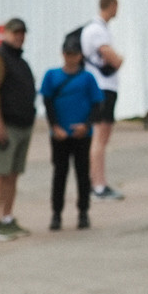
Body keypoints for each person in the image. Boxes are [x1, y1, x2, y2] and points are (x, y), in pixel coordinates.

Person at [40, 39, 104, 231]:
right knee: (60, 174)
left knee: (82, 174)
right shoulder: (52, 76)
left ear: (79, 56)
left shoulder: (88, 78)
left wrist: (86, 126)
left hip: (81, 134)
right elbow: (48, 102)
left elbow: (97, 104)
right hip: (60, 134)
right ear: (63, 55)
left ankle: (83, 212)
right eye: (67, 54)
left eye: (74, 54)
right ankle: (56, 213)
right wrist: (55, 126)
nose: (71, 57)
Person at [0, 18, 35, 240]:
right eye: (15, 32)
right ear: (5, 33)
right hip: (6, 126)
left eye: (22, 32)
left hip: (22, 125)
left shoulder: (19, 60)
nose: (19, 36)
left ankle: (7, 218)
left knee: (12, 175)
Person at [80, 0, 127, 200]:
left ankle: (96, 182)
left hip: (100, 87)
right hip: (102, 88)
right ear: (111, 5)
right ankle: (98, 185)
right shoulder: (97, 30)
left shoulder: (97, 28)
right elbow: (113, 59)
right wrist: (119, 59)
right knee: (100, 137)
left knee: (100, 137)